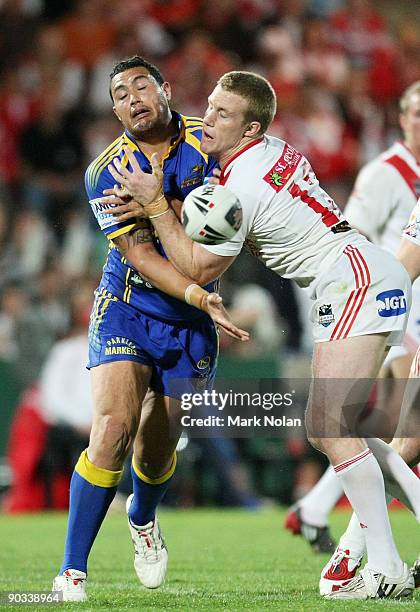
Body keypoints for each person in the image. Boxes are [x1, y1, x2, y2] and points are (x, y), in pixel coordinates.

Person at [102, 70, 417, 600]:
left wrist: (157, 208)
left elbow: (198, 269)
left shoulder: (240, 186)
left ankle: (385, 566)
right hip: (360, 273)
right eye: (211, 105)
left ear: (249, 130)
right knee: (332, 430)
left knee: (329, 426)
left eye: (223, 114)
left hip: (351, 279)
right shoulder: (270, 150)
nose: (209, 118)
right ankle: (373, 557)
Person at [52, 56, 249, 603]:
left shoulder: (207, 143)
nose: (132, 97)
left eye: (142, 85)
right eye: (119, 93)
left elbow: (229, 220)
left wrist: (168, 203)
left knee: (155, 452)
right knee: (112, 427)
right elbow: (139, 254)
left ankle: (142, 517)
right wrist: (198, 293)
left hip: (189, 321)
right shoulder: (105, 172)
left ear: (165, 89)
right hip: (129, 305)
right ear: (113, 107)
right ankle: (72, 571)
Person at [285, 80, 420, 555]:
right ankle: (350, 541)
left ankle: (323, 516)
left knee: (386, 430)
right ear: (402, 119)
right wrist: (382, 309)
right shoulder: (387, 174)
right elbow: (353, 237)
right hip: (387, 306)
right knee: (390, 430)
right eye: (416, 113)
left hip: (392, 308)